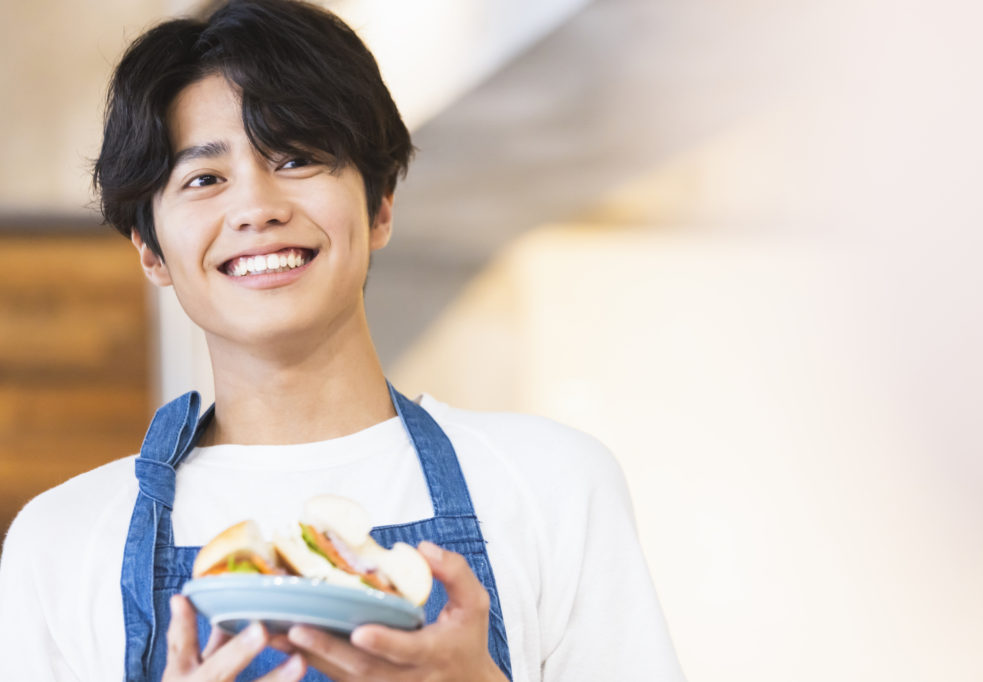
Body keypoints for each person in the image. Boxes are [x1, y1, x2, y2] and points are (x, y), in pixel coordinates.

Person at [0, 0, 684, 680]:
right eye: (205, 178)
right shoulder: (64, 540)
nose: (257, 207)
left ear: (380, 205)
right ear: (150, 251)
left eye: (297, 158)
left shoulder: (552, 484)